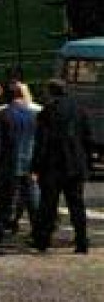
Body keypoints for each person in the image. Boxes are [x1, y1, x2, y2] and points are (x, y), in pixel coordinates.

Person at [31, 79, 92, 254]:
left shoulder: (47, 112)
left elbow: (41, 142)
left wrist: (35, 166)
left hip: (52, 165)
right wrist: (85, 161)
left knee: (48, 205)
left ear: (51, 92)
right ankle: (81, 241)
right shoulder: (79, 110)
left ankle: (43, 239)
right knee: (77, 205)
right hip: (75, 165)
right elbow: (87, 138)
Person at [0, 80, 39, 243]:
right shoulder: (34, 116)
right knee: (31, 198)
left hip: (8, 163)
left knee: (5, 198)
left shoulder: (3, 115)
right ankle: (38, 229)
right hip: (29, 163)